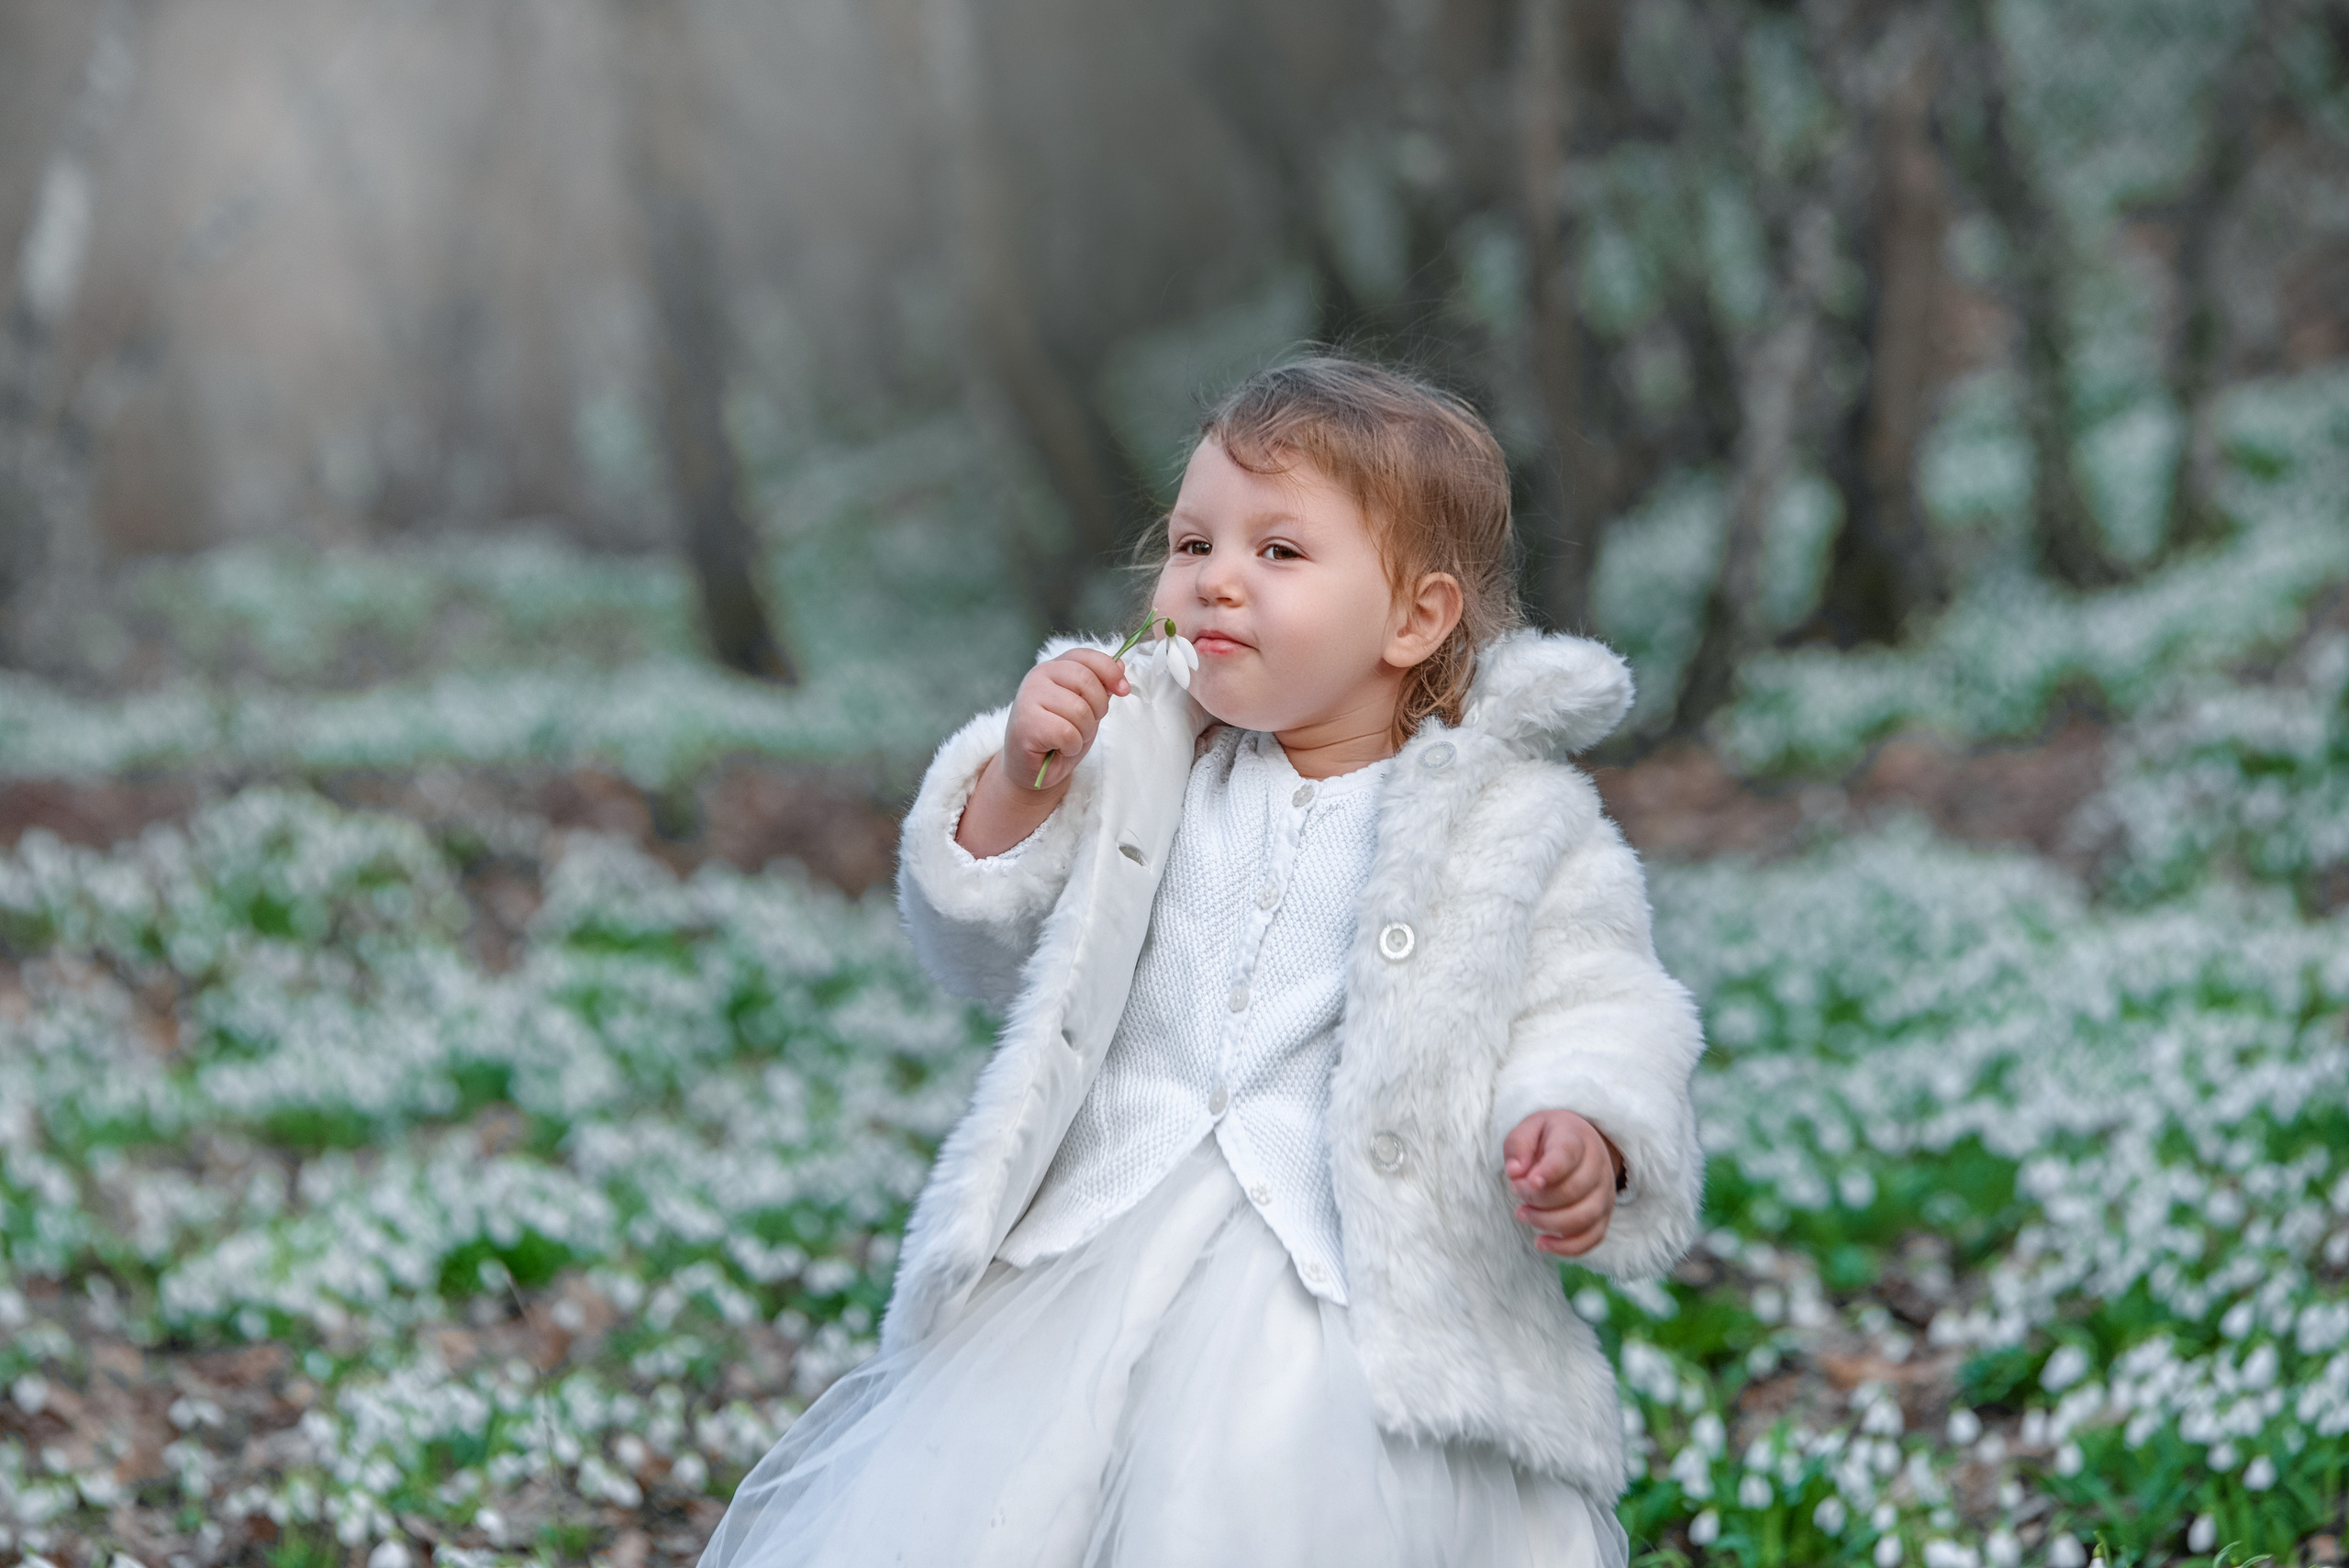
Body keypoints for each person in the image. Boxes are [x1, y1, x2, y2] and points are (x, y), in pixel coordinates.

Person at [697, 355, 1707, 1567]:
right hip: (1097, 1249)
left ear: (1415, 617)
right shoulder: (1137, 757)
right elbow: (982, 940)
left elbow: (1600, 1002)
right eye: (1191, 543)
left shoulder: (1514, 827)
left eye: (1279, 553)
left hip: (1342, 1292)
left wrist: (1584, 1122)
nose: (1215, 580)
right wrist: (1021, 781)